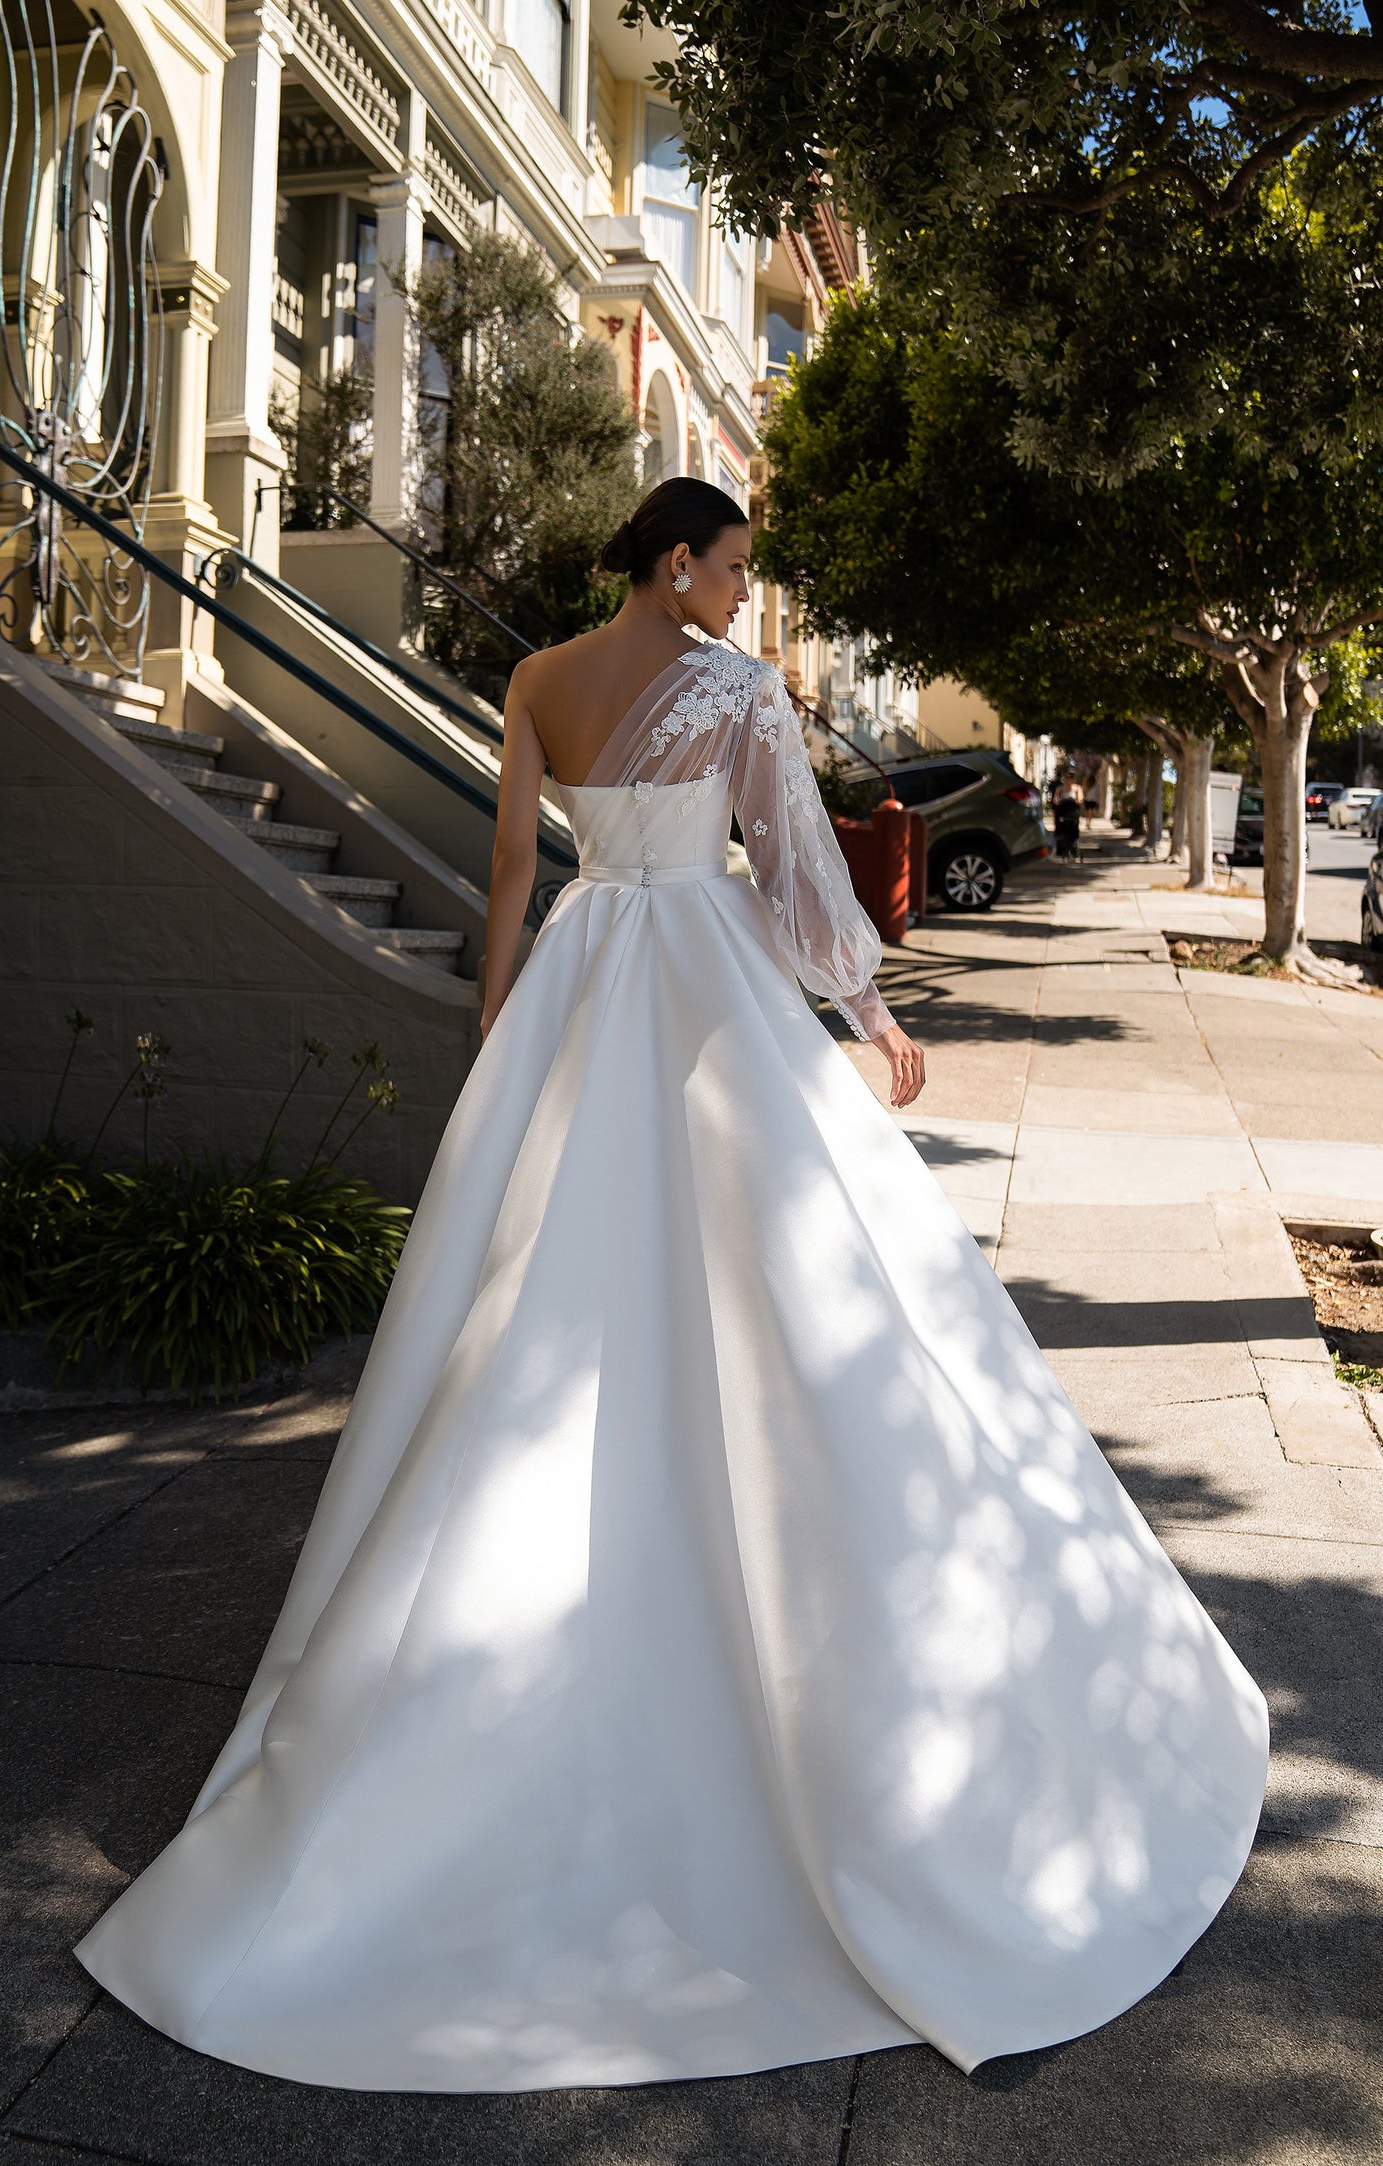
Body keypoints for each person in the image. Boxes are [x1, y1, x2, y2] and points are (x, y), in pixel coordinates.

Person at [73, 478, 1268, 2092]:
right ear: (676, 562)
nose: (739, 596)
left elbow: (509, 862)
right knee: (785, 1266)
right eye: (730, 569)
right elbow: (789, 872)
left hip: (581, 971)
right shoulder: (736, 692)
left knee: (541, 1284)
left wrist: (499, 1024)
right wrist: (873, 1018)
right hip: (702, 974)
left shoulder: (538, 677)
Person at [1053, 769, 1083, 861]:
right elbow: (1055, 799)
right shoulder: (1060, 788)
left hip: (1073, 812)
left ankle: (1074, 849)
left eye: (1070, 778)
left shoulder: (1077, 788)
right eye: (1067, 778)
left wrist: (1075, 800)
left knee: (1073, 831)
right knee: (1061, 830)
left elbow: (1080, 799)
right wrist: (1058, 801)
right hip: (1063, 812)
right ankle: (1061, 849)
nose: (1068, 780)